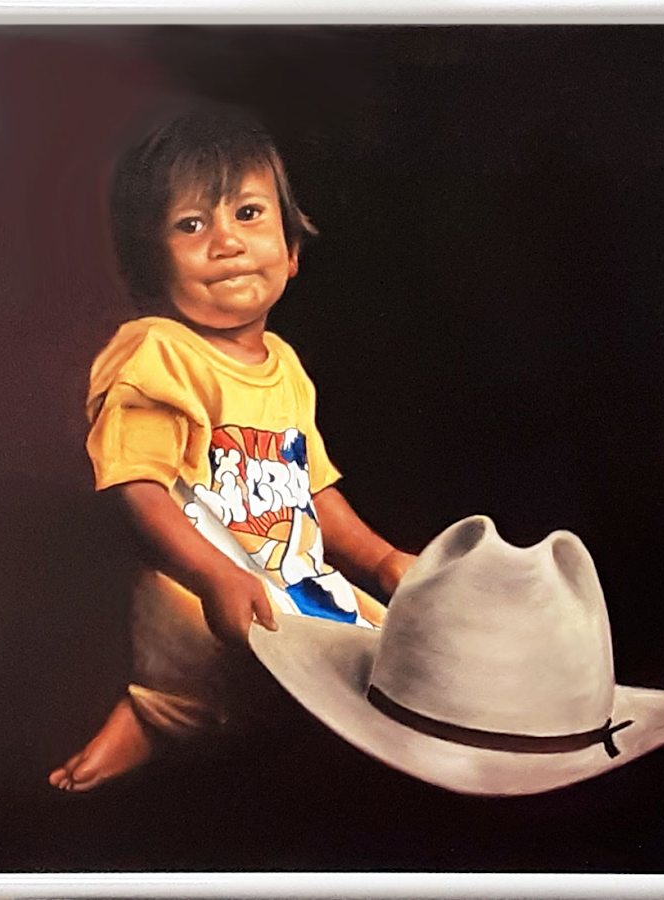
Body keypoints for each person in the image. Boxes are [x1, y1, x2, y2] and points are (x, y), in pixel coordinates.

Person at [48, 106, 416, 792]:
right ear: (149, 268)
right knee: (193, 680)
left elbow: (313, 491)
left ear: (293, 250)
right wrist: (213, 574)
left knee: (399, 649)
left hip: (297, 580)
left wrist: (378, 557)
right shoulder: (156, 354)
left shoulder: (286, 366)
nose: (225, 242)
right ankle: (148, 719)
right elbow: (139, 486)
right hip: (200, 584)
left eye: (248, 214)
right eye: (191, 225)